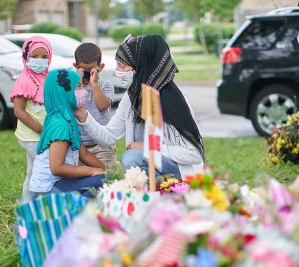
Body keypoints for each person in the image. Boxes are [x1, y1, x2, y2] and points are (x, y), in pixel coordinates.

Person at [74, 34, 205, 179]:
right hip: (152, 165)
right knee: (132, 158)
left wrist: (148, 147)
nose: (117, 71)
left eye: (122, 66)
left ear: (140, 66)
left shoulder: (173, 100)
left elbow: (194, 154)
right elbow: (108, 137)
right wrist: (84, 116)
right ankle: (149, 193)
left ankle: (166, 191)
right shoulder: (132, 98)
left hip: (181, 172)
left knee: (131, 159)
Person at [29, 69, 106, 199]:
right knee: (99, 182)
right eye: (78, 87)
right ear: (64, 92)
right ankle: (68, 215)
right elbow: (57, 168)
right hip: (44, 193)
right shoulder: (61, 124)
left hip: (57, 185)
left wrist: (108, 172)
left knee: (103, 180)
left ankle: (75, 212)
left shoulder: (66, 117)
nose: (83, 91)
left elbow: (85, 155)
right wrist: (93, 171)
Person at [10, 36, 52, 203]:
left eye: (44, 57)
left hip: (41, 135)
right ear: (26, 56)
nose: (39, 61)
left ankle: (27, 202)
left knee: (33, 170)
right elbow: (19, 111)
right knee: (45, 169)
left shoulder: (47, 77)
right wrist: (41, 130)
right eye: (34, 56)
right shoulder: (24, 80)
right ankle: (41, 202)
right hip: (32, 136)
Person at [73, 43, 117, 170]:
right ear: (76, 67)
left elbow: (103, 106)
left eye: (91, 72)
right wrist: (77, 80)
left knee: (107, 178)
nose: (87, 76)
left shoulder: (105, 85)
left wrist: (94, 84)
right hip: (79, 145)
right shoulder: (71, 86)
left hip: (102, 145)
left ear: (101, 67)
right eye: (84, 72)